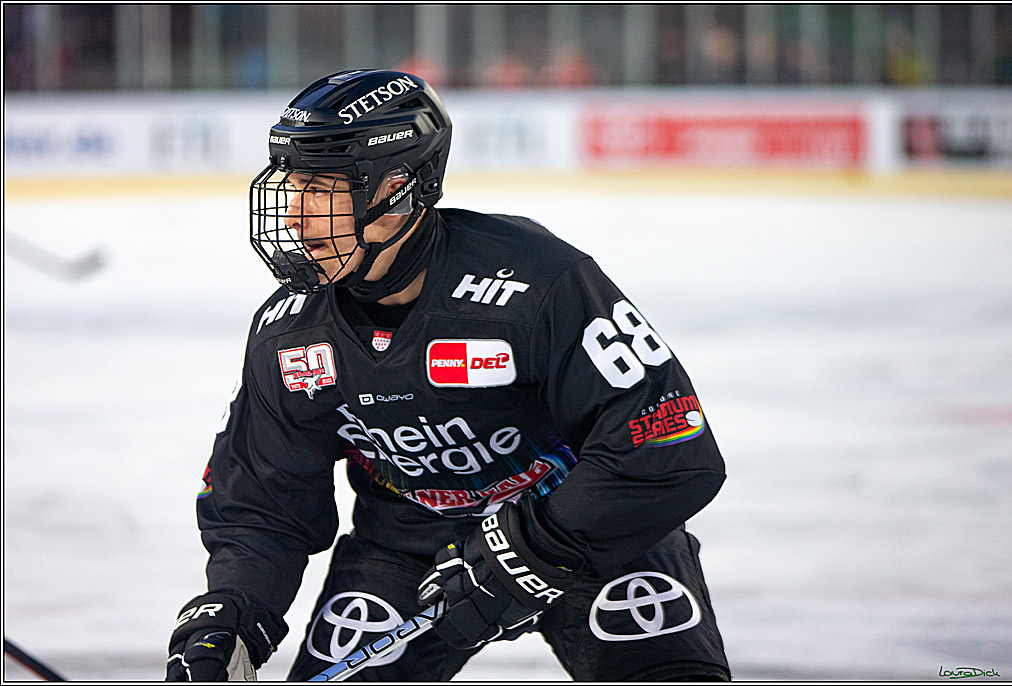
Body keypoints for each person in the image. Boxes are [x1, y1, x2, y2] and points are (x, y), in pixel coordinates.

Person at [165, 69, 731, 682]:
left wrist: (533, 547)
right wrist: (231, 614)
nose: (296, 211)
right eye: (291, 180)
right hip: (410, 541)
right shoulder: (290, 336)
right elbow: (264, 506)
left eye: (324, 185)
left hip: (592, 527)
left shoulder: (537, 281)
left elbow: (669, 445)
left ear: (399, 187)